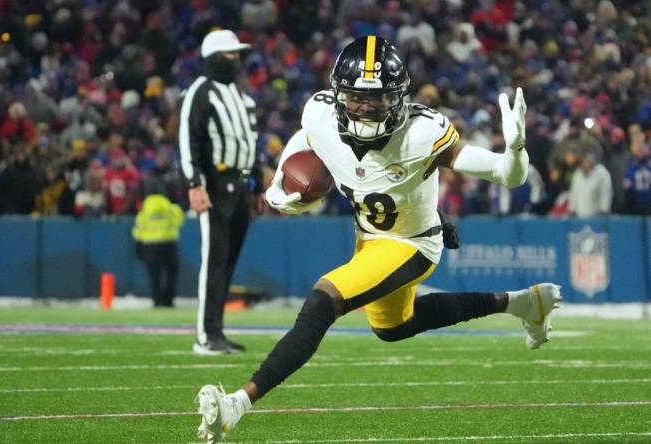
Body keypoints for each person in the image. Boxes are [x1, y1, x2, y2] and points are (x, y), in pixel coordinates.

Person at [195, 36, 562, 443]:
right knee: (394, 328)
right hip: (370, 238)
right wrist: (281, 185)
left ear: (399, 97)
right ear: (338, 95)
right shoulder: (319, 114)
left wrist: (515, 150)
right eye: (356, 97)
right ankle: (523, 303)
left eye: (379, 98)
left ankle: (237, 405)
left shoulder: (423, 133)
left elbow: (507, 175)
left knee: (323, 301)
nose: (367, 108)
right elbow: (305, 140)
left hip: (412, 244)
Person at [178, 29, 265, 355]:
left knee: (227, 263)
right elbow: (189, 142)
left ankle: (217, 331)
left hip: (241, 187)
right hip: (215, 184)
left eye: (238, 54)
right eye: (230, 54)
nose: (236, 59)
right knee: (214, 262)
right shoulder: (200, 92)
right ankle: (206, 335)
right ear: (214, 56)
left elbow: (251, 145)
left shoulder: (243, 98)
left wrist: (256, 184)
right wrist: (194, 184)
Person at [132, 193, 185, 307]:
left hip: (150, 245)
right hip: (168, 242)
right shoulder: (169, 205)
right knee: (171, 274)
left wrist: (139, 245)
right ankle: (168, 301)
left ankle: (156, 301)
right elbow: (179, 220)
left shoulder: (146, 206)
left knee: (154, 276)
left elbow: (139, 225)